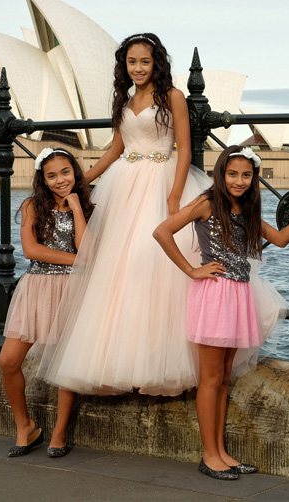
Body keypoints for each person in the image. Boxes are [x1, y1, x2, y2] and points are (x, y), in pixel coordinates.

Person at [36, 33, 213, 395]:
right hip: (123, 187)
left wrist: (174, 195)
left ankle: (158, 358)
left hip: (160, 182)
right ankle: (117, 358)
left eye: (144, 62)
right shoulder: (125, 100)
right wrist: (81, 181)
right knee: (117, 268)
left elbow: (185, 149)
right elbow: (115, 150)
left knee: (151, 267)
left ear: (157, 62)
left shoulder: (173, 97)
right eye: (132, 62)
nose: (138, 68)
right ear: (124, 65)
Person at [153, 145, 289, 480]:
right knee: (210, 379)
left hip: (238, 295)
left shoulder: (246, 207)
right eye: (232, 174)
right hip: (213, 295)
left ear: (254, 178)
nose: (239, 181)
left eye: (246, 175)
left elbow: (280, 240)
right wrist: (191, 270)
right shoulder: (207, 203)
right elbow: (162, 232)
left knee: (223, 377)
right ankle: (209, 456)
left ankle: (222, 453)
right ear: (221, 174)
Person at [0, 147, 93, 458]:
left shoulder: (90, 207)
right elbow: (31, 250)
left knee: (65, 363)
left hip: (71, 290)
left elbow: (86, 246)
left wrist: (77, 207)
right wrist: (78, 261)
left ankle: (59, 431)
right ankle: (25, 426)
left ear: (75, 173)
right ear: (43, 179)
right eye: (51, 175)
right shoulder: (31, 206)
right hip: (36, 286)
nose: (60, 180)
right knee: (8, 360)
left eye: (65, 172)